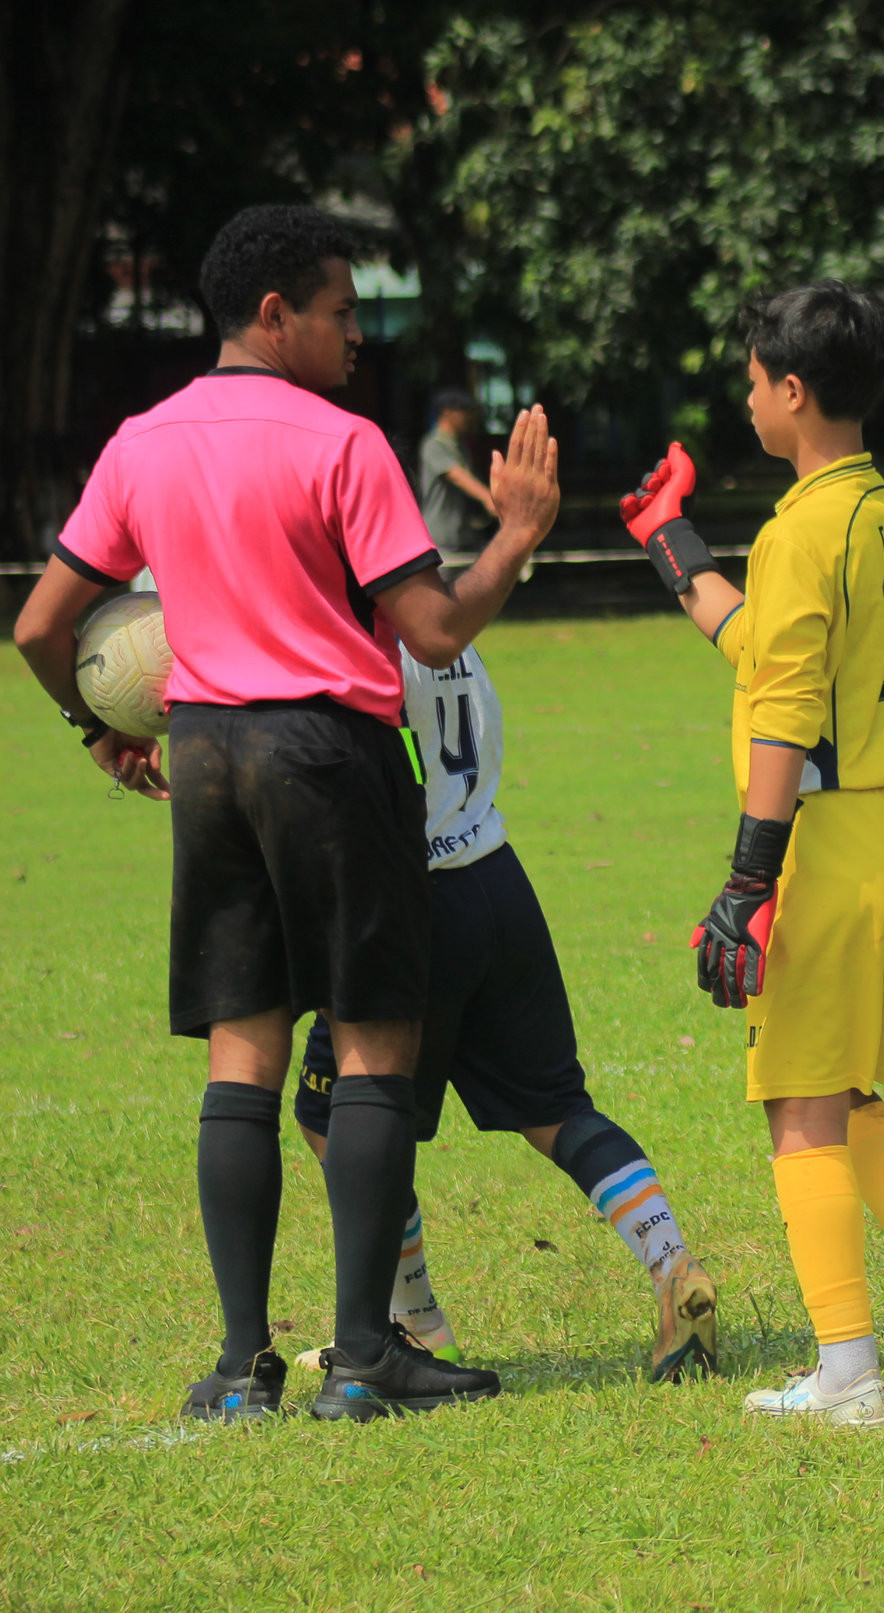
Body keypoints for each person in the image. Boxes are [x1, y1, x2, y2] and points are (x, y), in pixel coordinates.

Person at [11, 203, 559, 1420]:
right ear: (276, 314)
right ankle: (366, 1356)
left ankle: (242, 1364)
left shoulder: (141, 441)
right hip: (329, 752)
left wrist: (98, 728)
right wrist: (515, 536)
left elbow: (43, 625)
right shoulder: (345, 443)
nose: (357, 336)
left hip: (205, 757)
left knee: (243, 1051)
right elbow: (433, 629)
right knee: (373, 1039)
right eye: (342, 311)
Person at [618, 281, 884, 1428]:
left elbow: (782, 710)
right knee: (852, 1082)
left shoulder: (797, 529)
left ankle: (847, 1373)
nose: (744, 395)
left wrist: (745, 882)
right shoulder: (880, 509)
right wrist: (674, 546)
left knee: (796, 1102)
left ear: (791, 388)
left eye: (749, 377)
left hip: (830, 844)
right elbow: (768, 647)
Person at [286, 643, 719, 1383]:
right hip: (495, 880)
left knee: (339, 1116)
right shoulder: (444, 616)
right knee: (556, 1108)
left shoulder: (353, 626)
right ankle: (672, 1263)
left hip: (408, 902)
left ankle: (417, 1324)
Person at [419, 388, 497, 560]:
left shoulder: (460, 445)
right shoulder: (434, 444)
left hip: (466, 536)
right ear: (447, 412)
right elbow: (457, 476)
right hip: (443, 538)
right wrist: (488, 498)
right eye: (464, 411)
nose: (469, 417)